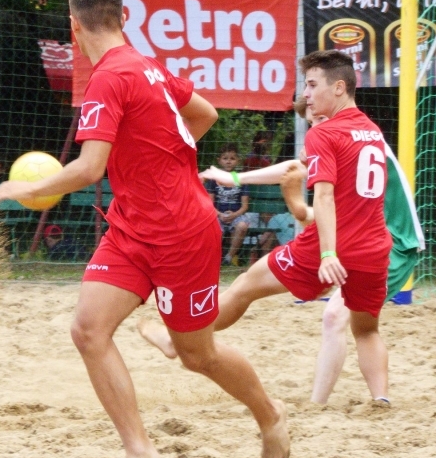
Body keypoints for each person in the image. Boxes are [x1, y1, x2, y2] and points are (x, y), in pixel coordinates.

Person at [0, 0, 289, 458]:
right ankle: (140, 452)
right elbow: (205, 114)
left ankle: (270, 415)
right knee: (88, 330)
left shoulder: (109, 77)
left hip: (182, 233)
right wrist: (159, 160)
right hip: (132, 229)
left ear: (73, 26)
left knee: (197, 355)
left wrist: (26, 188)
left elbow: (89, 169)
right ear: (123, 17)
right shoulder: (147, 66)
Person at [140, 53, 399, 406]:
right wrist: (234, 178)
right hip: (374, 249)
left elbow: (324, 196)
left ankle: (177, 341)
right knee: (366, 330)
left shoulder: (325, 132)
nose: (306, 94)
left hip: (329, 246)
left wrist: (327, 254)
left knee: (245, 287)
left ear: (339, 87)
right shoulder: (371, 132)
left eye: (312, 85)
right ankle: (381, 400)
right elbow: (298, 169)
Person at [206, 143, 251, 266]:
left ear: (238, 160)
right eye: (225, 158)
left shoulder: (240, 179)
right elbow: (209, 204)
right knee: (212, 226)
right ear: (219, 160)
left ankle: (229, 257)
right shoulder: (214, 179)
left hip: (236, 214)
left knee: (242, 226)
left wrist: (234, 215)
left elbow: (245, 206)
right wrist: (220, 214)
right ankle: (214, 258)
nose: (228, 161)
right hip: (217, 214)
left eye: (232, 158)